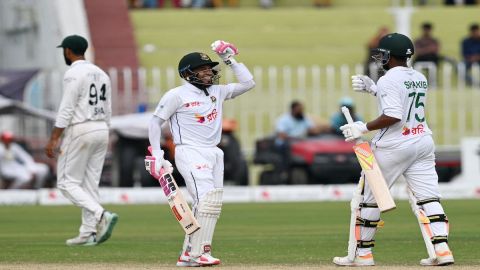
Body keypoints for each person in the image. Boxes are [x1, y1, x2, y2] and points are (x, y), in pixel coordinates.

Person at [333, 33, 454, 266]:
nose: (380, 58)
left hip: (393, 146)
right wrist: (374, 89)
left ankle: (363, 255)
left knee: (367, 199)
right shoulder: (419, 77)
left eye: (383, 54)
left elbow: (394, 115)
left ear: (389, 55)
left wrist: (362, 127)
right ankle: (443, 250)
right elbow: (405, 101)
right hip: (422, 141)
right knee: (429, 198)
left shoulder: (387, 79)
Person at [146, 40, 255, 266]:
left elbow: (248, 83)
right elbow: (155, 123)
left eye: (209, 69)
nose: (208, 72)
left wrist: (229, 59)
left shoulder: (217, 91)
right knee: (205, 201)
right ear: (188, 73)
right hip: (190, 151)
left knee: (211, 204)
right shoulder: (177, 95)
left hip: (215, 153)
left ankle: (188, 253)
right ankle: (199, 253)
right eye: (202, 69)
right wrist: (157, 155)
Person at [45, 35, 118, 247]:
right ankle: (88, 233)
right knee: (89, 184)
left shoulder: (73, 73)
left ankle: (101, 214)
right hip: (101, 128)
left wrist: (53, 139)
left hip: (81, 128)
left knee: (67, 183)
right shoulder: (101, 73)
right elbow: (108, 108)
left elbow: (66, 108)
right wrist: (104, 131)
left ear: (68, 51)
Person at [274, 101, 319, 182]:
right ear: (293, 109)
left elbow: (313, 129)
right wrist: (295, 137)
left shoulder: (304, 118)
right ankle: (284, 171)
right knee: (286, 148)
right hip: (286, 143)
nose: (301, 111)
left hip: (300, 143)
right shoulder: (284, 120)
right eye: (299, 109)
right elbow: (281, 135)